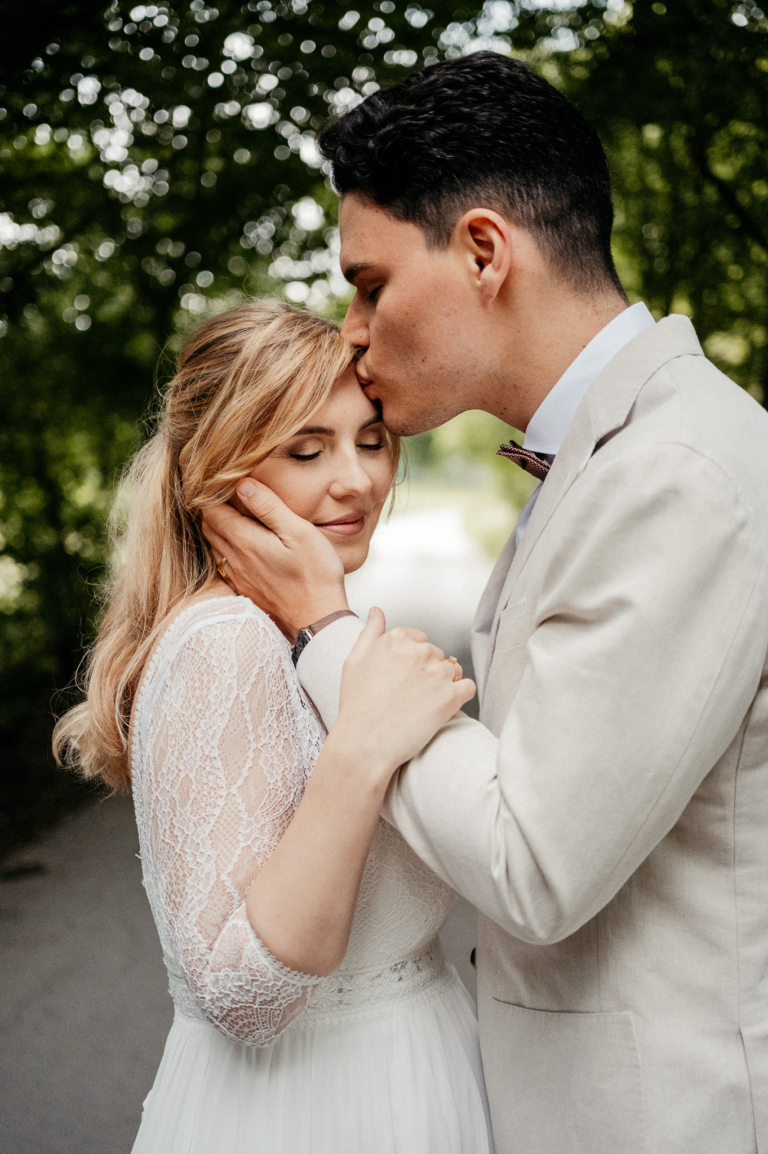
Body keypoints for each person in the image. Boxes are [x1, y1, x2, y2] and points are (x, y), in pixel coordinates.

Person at [203, 53, 768, 1154]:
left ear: (481, 251)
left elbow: (533, 862)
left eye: (369, 284)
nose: (354, 331)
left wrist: (324, 634)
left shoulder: (679, 471)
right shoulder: (621, 452)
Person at [53, 300, 493, 1154]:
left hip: (415, 1071)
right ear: (220, 466)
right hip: (316, 1110)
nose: (359, 480)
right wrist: (365, 748)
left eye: (371, 440)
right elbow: (242, 995)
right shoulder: (227, 642)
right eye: (307, 449)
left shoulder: (299, 630)